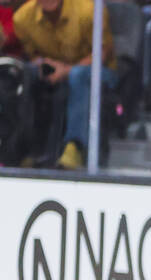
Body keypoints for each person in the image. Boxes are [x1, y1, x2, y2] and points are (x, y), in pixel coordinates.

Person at [11, 0, 115, 169]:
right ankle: (25, 146)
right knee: (25, 72)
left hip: (98, 71)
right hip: (53, 68)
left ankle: (75, 147)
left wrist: (66, 70)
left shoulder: (89, 10)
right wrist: (44, 63)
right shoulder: (22, 17)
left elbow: (101, 53)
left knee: (77, 75)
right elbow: (33, 55)